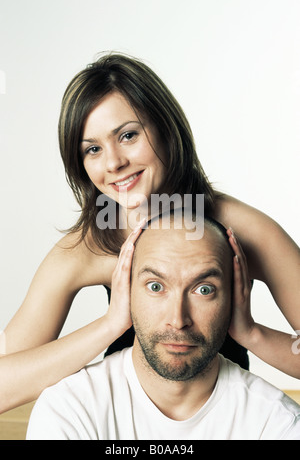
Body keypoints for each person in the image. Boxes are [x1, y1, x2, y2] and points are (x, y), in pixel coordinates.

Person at [1, 53, 299, 414]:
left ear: (164, 127)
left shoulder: (246, 230)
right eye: (92, 149)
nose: (113, 163)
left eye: (127, 135)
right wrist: (110, 325)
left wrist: (251, 334)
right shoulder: (89, 245)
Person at [26, 214, 300, 440]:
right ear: (126, 292)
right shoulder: (69, 411)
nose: (178, 320)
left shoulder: (278, 423)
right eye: (156, 287)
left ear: (236, 298)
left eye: (204, 289)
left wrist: (251, 332)